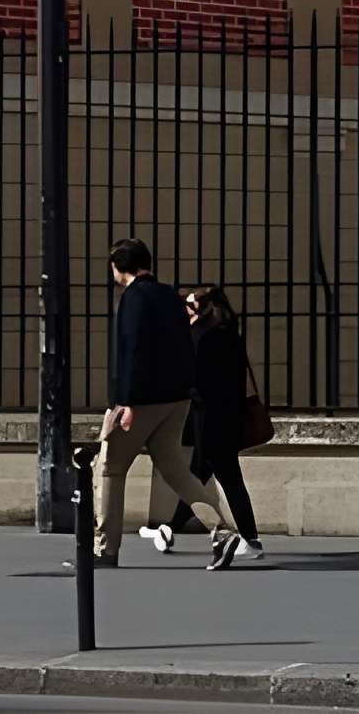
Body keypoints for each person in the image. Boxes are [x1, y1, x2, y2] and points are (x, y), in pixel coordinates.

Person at [97, 237, 219, 562]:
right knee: (176, 470)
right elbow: (184, 345)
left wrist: (125, 403)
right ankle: (222, 532)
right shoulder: (169, 295)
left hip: (141, 401)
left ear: (120, 267)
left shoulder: (132, 298)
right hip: (176, 398)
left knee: (110, 467)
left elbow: (131, 351)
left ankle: (104, 549)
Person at [186, 284, 267, 569]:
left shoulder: (202, 336)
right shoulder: (229, 333)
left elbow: (194, 380)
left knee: (206, 476)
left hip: (209, 419)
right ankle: (249, 538)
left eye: (190, 306)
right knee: (206, 475)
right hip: (229, 417)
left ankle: (245, 538)